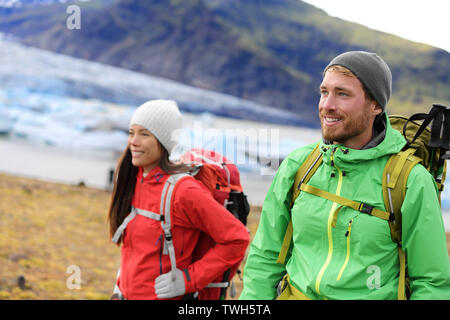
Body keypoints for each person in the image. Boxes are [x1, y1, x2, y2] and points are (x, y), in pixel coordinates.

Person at [239, 51, 450, 300]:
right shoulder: (299, 166)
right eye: (324, 92)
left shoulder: (409, 180)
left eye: (342, 94)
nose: (327, 105)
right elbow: (266, 257)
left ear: (376, 105)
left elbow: (431, 283)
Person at [108, 99, 249, 300]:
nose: (134, 141)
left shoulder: (183, 191)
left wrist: (189, 280)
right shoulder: (134, 180)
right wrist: (119, 288)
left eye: (144, 134)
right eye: (132, 133)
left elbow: (237, 238)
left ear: (164, 142)